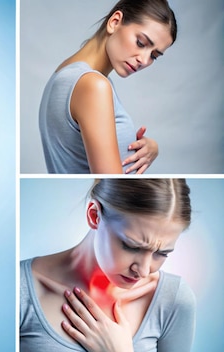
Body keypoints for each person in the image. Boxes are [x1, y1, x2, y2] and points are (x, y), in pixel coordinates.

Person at [20, 179, 196, 351]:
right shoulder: (20, 289)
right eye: (132, 246)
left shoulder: (173, 299)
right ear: (94, 215)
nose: (143, 271)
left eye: (162, 253)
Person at [38, 0, 177, 174]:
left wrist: (150, 147)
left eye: (154, 56)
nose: (144, 60)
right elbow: (111, 183)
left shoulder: (65, 74)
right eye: (141, 43)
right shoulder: (93, 85)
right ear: (115, 22)